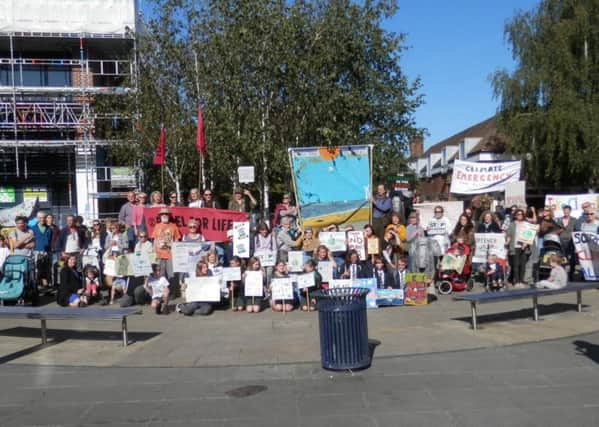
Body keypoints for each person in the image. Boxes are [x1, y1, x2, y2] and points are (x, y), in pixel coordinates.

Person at [152, 208, 181, 279]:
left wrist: (176, 253)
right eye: (162, 214)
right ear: (160, 216)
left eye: (166, 214)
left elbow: (177, 239)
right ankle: (162, 290)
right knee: (160, 275)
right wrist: (153, 252)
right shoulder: (157, 226)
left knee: (171, 275)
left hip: (170, 255)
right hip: (159, 255)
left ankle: (172, 289)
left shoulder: (174, 226)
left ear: (169, 216)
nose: (164, 215)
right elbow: (155, 240)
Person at [506, 209, 529, 287]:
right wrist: (507, 242)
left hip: (524, 246)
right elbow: (509, 235)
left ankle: (521, 281)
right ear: (515, 215)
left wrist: (526, 243)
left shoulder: (526, 224)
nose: (520, 215)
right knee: (515, 265)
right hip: (514, 246)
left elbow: (530, 235)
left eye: (521, 214)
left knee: (523, 265)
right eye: (518, 214)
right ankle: (516, 281)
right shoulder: (512, 224)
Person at [556, 205, 576, 280]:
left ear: (570, 211)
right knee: (562, 258)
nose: (566, 212)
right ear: (563, 211)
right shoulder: (559, 220)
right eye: (564, 210)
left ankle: (571, 274)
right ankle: (563, 275)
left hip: (571, 241)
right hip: (561, 241)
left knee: (572, 258)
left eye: (567, 210)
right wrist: (559, 231)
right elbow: (556, 231)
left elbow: (577, 230)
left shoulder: (574, 220)